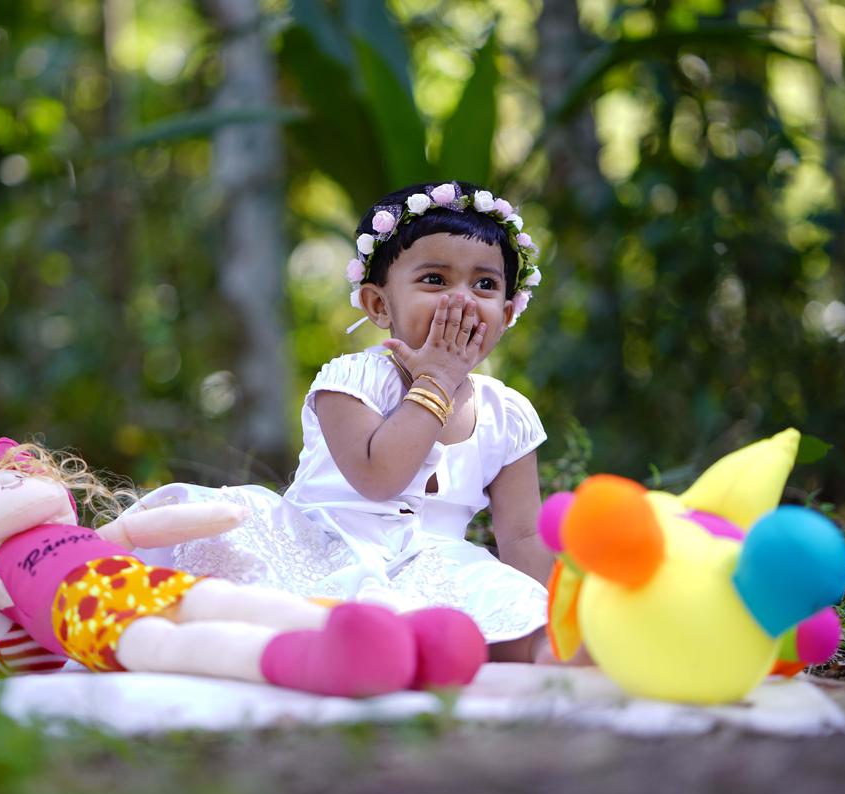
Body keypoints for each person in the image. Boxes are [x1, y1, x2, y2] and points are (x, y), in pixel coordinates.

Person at [130, 181, 553, 661]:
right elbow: (380, 478)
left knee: (520, 618)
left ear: (509, 310)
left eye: (485, 285)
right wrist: (436, 380)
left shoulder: (509, 414)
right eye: (435, 280)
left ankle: (551, 656)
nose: (461, 300)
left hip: (440, 564)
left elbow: (522, 536)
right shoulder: (352, 379)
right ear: (378, 304)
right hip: (326, 548)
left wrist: (550, 610)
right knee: (229, 581)